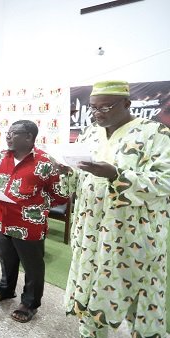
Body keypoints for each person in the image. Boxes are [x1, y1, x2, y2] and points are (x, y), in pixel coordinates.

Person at [62, 81, 170, 337]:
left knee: (139, 292)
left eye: (105, 107)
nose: (98, 113)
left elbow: (165, 182)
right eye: (93, 108)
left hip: (132, 235)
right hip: (90, 231)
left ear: (127, 104)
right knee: (91, 286)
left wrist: (116, 175)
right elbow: (79, 182)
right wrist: (67, 172)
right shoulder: (89, 134)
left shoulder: (155, 134)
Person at [0, 120, 67, 323]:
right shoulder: (2, 157)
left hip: (29, 224)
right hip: (2, 219)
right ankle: (5, 289)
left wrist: (32, 202)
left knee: (32, 266)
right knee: (6, 258)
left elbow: (60, 197)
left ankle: (29, 303)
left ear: (29, 137)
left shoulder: (46, 163)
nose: (8, 136)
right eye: (8, 133)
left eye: (13, 133)